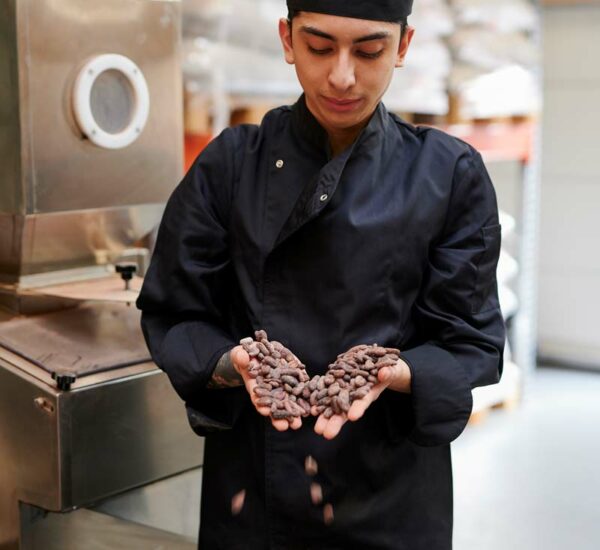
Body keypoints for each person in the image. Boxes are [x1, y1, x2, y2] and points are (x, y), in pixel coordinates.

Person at [137, 0, 505, 548]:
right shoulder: (231, 164)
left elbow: (471, 342)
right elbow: (175, 312)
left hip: (391, 496)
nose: (342, 76)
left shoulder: (448, 173)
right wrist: (232, 364)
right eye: (319, 47)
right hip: (254, 495)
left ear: (403, 46)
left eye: (369, 51)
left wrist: (394, 372)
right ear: (288, 40)